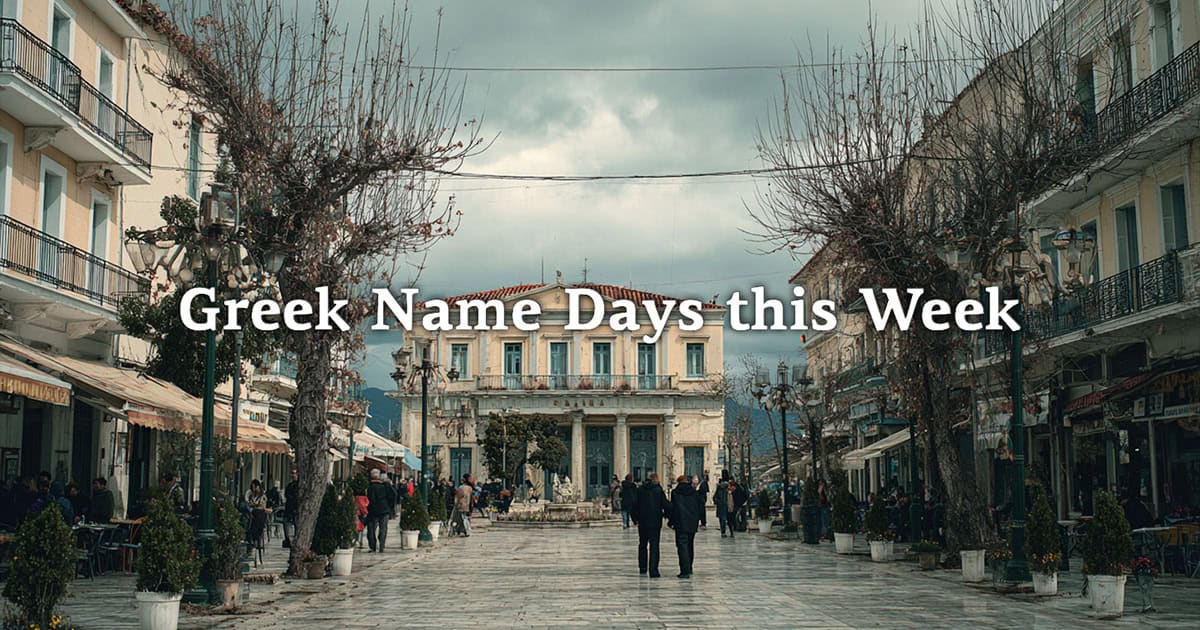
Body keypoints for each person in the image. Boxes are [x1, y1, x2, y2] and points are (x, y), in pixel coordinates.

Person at [632, 472, 667, 578]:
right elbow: (665, 504)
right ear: (655, 479)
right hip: (655, 521)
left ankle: (642, 568)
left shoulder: (640, 490)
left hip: (643, 522)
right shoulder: (658, 490)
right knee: (654, 546)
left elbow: (634, 505)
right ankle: (653, 570)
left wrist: (635, 519)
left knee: (642, 545)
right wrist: (667, 515)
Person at [668, 475, 702, 579]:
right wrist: (701, 520)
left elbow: (672, 508)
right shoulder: (694, 493)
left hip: (680, 522)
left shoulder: (675, 493)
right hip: (692, 522)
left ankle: (684, 570)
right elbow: (700, 506)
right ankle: (689, 567)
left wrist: (671, 521)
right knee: (690, 545)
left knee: (682, 546)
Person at [365, 469, 394, 552]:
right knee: (383, 529)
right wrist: (390, 507)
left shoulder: (369, 487)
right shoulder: (385, 486)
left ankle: (372, 546)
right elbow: (392, 496)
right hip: (384, 510)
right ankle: (382, 545)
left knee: (371, 529)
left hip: (372, 511)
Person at [714, 471, 735, 538]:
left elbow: (715, 497)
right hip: (729, 505)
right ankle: (731, 532)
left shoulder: (719, 487)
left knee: (722, 519)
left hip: (721, 505)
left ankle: (723, 532)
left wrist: (718, 502)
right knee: (730, 519)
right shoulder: (730, 487)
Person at [282, 469, 298, 548]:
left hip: (296, 508)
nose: (293, 475)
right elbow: (287, 495)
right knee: (285, 522)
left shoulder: (299, 485)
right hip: (289, 508)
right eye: (292, 473)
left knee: (296, 524)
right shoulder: (289, 485)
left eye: (295, 473)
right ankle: (287, 539)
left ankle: (296, 539)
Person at [354, 481, 369, 548]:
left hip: (357, 513)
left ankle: (357, 540)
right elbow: (363, 506)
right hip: (361, 514)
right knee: (360, 528)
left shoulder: (355, 497)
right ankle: (359, 541)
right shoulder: (364, 498)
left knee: (357, 527)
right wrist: (365, 513)